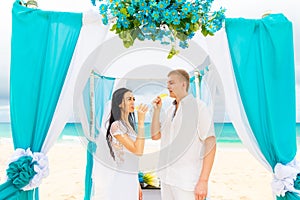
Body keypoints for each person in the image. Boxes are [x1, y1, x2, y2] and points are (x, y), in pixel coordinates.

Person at [151, 69, 216, 200]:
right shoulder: (170, 110)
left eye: (171, 83)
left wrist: (203, 181)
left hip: (186, 182)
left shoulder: (199, 107)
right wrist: (157, 111)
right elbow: (155, 136)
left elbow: (211, 143)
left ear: (183, 85)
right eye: (167, 83)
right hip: (166, 178)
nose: (167, 86)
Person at [105, 87, 148, 200]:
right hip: (123, 180)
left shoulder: (129, 127)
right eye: (129, 99)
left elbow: (134, 158)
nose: (133, 101)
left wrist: (137, 183)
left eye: (133, 99)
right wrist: (142, 122)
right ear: (119, 104)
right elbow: (138, 151)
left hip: (131, 179)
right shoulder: (116, 126)